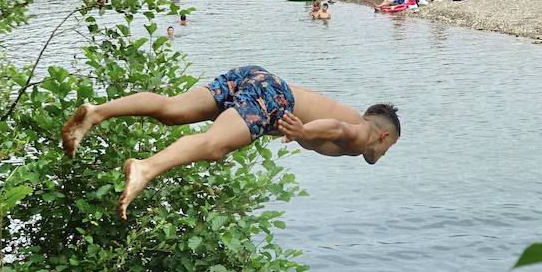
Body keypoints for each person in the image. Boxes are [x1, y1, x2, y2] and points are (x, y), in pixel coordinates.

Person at [59, 65, 402, 219]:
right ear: (383, 135)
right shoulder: (362, 133)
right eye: (389, 148)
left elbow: (335, 125)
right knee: (214, 146)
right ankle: (145, 168)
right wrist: (304, 133)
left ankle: (97, 112)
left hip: (254, 76)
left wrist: (305, 132)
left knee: (171, 109)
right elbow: (339, 129)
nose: (383, 153)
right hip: (274, 95)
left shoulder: (354, 118)